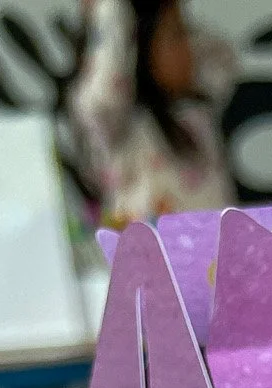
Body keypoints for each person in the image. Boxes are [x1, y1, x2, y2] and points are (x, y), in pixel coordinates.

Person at [71, 0, 235, 226]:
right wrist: (111, 7)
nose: (189, 45)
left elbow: (224, 58)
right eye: (177, 35)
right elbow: (104, 91)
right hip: (147, 259)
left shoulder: (195, 108)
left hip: (216, 258)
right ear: (138, 48)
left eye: (188, 32)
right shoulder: (117, 123)